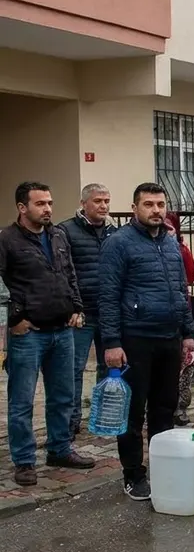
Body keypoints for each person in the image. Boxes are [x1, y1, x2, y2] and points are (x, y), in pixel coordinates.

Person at [97, 182, 194, 500]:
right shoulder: (119, 243)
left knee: (164, 409)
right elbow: (108, 296)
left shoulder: (170, 242)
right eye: (149, 204)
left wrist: (188, 334)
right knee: (133, 412)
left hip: (169, 338)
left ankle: (164, 468)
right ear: (135, 207)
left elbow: (181, 291)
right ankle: (133, 475)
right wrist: (112, 342)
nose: (156, 210)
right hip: (135, 339)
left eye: (161, 204)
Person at [0, 182, 95, 486]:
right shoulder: (7, 240)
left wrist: (77, 308)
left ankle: (59, 448)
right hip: (28, 334)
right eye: (40, 203)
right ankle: (25, 461)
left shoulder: (57, 235)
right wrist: (15, 319)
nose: (48, 209)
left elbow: (69, 274)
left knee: (63, 397)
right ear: (22, 207)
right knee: (22, 401)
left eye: (50, 203)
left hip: (62, 330)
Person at [58, 183, 114, 439]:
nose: (103, 206)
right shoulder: (65, 231)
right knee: (74, 368)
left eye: (106, 201)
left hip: (109, 312)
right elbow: (62, 273)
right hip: (81, 314)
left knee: (109, 366)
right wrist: (72, 307)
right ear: (84, 204)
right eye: (98, 201)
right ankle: (71, 422)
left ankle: (103, 416)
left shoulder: (115, 232)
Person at [165, 212, 194, 426]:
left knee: (185, 366)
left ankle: (180, 408)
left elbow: (191, 275)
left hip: (180, 315)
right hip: (156, 321)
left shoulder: (179, 249)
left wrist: (178, 246)